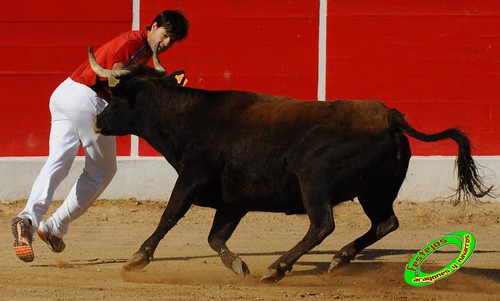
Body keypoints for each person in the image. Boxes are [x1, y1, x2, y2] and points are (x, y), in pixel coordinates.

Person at [11, 10, 189, 262]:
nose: (167, 43)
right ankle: (54, 226)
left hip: (65, 93)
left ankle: (27, 221)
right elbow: (115, 77)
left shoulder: (144, 50)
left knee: (58, 162)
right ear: (153, 26)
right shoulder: (133, 43)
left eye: (173, 40)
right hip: (88, 98)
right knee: (102, 170)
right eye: (165, 35)